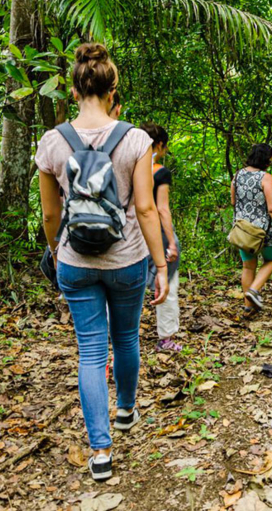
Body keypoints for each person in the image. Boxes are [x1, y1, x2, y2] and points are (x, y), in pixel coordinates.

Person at [36, 43, 169, 482]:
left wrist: (57, 251)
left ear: (73, 92)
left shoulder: (53, 142)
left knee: (91, 351)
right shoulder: (135, 139)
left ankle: (100, 451)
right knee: (126, 336)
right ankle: (127, 409)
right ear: (114, 91)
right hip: (127, 259)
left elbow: (51, 213)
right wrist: (161, 265)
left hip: (75, 260)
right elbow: (147, 209)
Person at [231, 143, 272, 316]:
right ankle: (254, 290)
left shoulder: (237, 175)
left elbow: (233, 202)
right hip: (262, 231)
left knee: (248, 267)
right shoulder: (265, 178)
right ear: (267, 159)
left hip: (242, 229)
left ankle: (247, 308)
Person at [140, 122, 182, 352]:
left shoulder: (126, 169)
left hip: (130, 234)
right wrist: (172, 243)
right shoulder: (159, 172)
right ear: (159, 145)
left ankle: (116, 336)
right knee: (168, 283)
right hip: (156, 233)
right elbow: (162, 209)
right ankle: (165, 338)